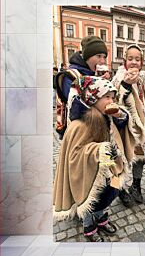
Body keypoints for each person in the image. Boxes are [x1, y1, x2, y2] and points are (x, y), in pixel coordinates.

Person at [53, 76, 136, 242]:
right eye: (107, 97)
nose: (111, 100)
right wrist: (98, 150)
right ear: (94, 98)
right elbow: (75, 155)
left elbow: (123, 125)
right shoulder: (80, 124)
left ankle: (102, 218)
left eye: (113, 97)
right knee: (93, 199)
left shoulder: (108, 116)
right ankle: (89, 227)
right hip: (90, 172)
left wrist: (121, 116)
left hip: (109, 166)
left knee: (109, 192)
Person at [112, 44, 145, 206]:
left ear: (142, 61)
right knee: (119, 160)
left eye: (137, 59)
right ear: (125, 60)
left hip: (141, 127)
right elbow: (113, 101)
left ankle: (136, 186)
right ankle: (119, 190)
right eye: (130, 59)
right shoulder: (118, 78)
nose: (134, 62)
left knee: (140, 159)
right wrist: (125, 84)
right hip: (123, 128)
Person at [55, 36, 108, 138]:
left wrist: (104, 84)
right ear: (87, 56)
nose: (102, 61)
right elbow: (77, 106)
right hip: (75, 133)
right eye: (98, 56)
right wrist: (97, 84)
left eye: (104, 57)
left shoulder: (94, 74)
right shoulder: (69, 75)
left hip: (94, 130)